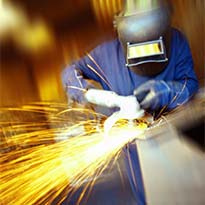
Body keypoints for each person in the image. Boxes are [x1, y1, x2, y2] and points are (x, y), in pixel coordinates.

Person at [61, 0, 199, 204]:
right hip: (136, 149)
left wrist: (167, 90)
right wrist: (91, 94)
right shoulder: (105, 54)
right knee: (151, 196)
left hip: (176, 139)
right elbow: (69, 72)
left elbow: (190, 84)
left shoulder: (176, 41)